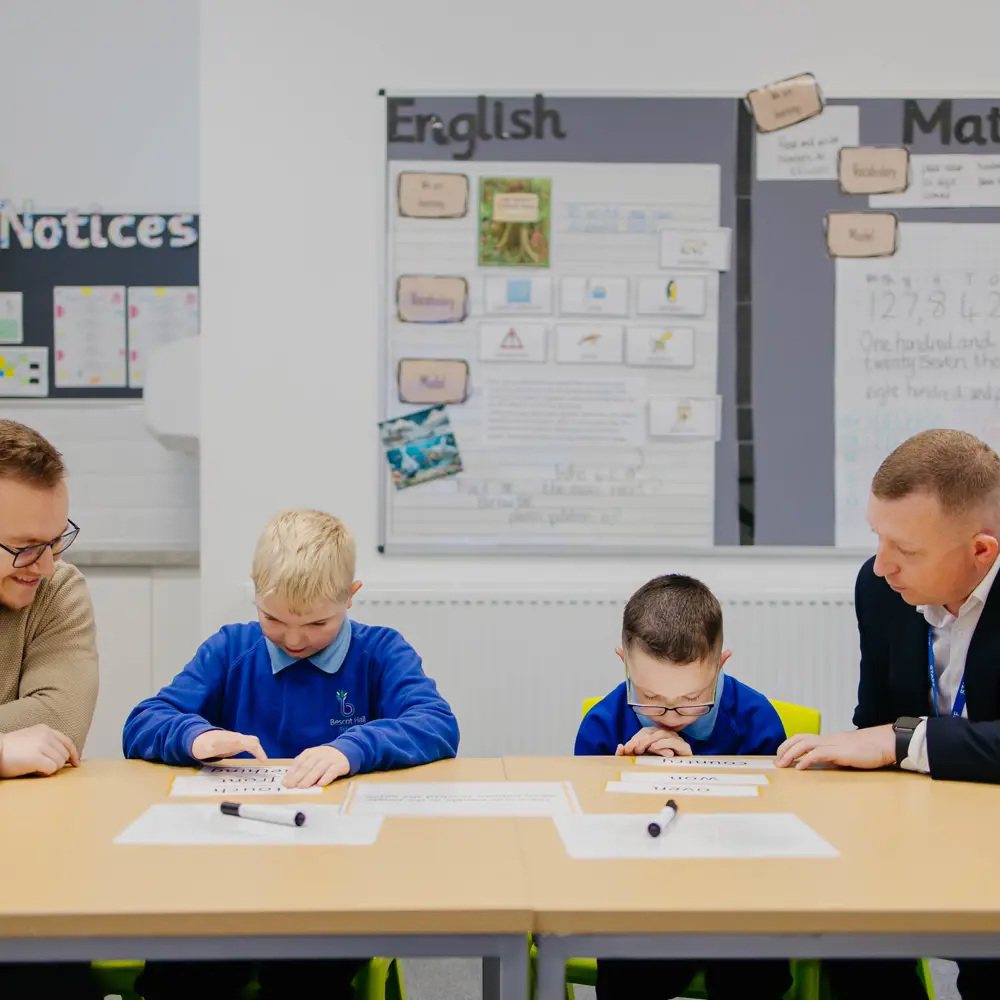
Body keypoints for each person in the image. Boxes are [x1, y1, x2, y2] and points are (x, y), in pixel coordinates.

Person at [124, 508, 460, 1000]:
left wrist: (352, 748)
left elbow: (436, 724)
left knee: (306, 979)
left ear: (351, 596)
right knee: (185, 973)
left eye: (318, 622)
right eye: (274, 619)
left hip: (333, 875)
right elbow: (143, 721)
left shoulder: (380, 652)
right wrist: (195, 736)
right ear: (255, 593)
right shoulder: (230, 648)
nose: (296, 638)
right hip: (224, 869)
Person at [776, 429, 1000, 999]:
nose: (882, 566)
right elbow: (873, 723)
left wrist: (907, 741)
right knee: (852, 937)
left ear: (981, 551)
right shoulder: (879, 591)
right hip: (923, 833)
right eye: (879, 538)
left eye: (907, 550)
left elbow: (892, 738)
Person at [577, 574, 789, 1000]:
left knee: (754, 970)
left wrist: (696, 778)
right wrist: (623, 786)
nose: (671, 716)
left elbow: (776, 832)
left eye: (693, 698)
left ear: (721, 663)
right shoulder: (602, 727)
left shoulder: (757, 721)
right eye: (651, 697)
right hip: (643, 906)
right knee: (625, 970)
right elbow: (590, 844)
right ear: (625, 662)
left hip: (741, 906)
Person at [0, 420, 100, 1000]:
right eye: (25, 545)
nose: (43, 563)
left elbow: (59, 726)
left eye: (57, 538)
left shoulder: (57, 589)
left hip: (26, 866)